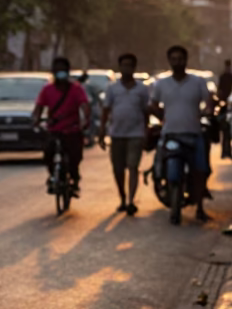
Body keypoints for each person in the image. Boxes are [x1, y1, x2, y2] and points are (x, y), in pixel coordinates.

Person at [151, 45, 213, 223]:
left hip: (194, 134)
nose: (177, 62)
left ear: (186, 60)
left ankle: (200, 207)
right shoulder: (161, 84)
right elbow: (153, 105)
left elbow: (208, 102)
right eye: (174, 59)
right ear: (169, 61)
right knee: (167, 168)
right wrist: (163, 117)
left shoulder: (198, 82)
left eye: (180, 59)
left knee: (200, 170)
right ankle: (171, 199)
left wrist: (208, 111)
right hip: (170, 135)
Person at [99, 53, 150, 214]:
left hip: (136, 133)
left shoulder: (142, 89)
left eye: (129, 65)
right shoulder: (112, 89)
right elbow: (106, 111)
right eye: (124, 65)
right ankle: (122, 196)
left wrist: (146, 131)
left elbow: (146, 111)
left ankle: (131, 201)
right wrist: (101, 133)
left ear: (134, 68)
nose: (126, 68)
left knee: (133, 167)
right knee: (118, 169)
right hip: (116, 134)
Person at [33, 56, 90, 196]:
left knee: (75, 156)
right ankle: (53, 177)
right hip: (54, 129)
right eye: (57, 70)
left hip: (72, 129)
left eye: (63, 70)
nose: (60, 73)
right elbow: (39, 107)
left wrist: (85, 120)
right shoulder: (47, 89)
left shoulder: (76, 89)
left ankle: (74, 180)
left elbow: (85, 105)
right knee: (48, 153)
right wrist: (36, 120)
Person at [216, 59, 232, 160]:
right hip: (226, 106)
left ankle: (226, 152)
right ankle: (226, 152)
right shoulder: (229, 76)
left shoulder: (227, 76)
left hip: (228, 105)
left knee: (226, 130)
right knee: (225, 130)